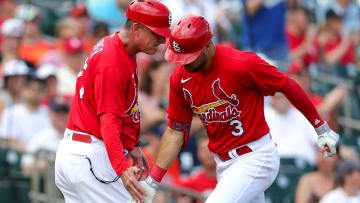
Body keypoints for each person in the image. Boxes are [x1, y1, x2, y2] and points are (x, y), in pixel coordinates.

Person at [132, 15, 340, 203]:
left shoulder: (241, 63)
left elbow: (287, 85)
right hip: (224, 163)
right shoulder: (180, 78)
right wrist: (153, 181)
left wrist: (321, 127)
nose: (184, 64)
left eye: (189, 57)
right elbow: (175, 131)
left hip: (256, 156)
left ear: (207, 45)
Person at [54, 1, 171, 202]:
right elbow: (108, 123)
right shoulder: (113, 61)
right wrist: (122, 170)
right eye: (156, 33)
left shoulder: (115, 45)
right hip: (91, 155)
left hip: (77, 152)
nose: (161, 39)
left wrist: (131, 145)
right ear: (136, 28)